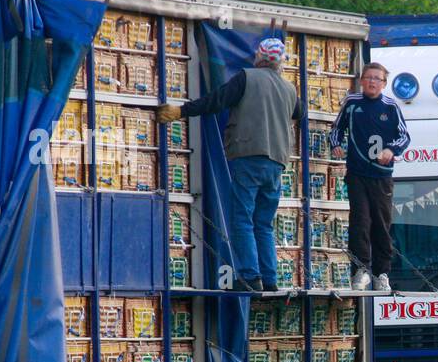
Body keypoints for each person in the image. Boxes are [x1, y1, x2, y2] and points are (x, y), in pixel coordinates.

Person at [157, 37, 302, 293]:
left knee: (242, 220)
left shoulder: (247, 77)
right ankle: (269, 278)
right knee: (264, 223)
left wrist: (181, 111)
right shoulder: (289, 88)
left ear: (258, 57)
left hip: (249, 154)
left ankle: (249, 276)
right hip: (277, 163)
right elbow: (299, 113)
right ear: (280, 62)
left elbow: (217, 101)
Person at [329, 62, 410, 291]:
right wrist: (336, 145)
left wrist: (391, 150)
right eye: (369, 77)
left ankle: (381, 272)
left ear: (384, 84)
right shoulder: (353, 103)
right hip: (357, 173)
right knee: (360, 223)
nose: (372, 82)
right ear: (362, 80)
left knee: (381, 225)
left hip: (382, 176)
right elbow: (337, 129)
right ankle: (360, 270)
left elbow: (404, 136)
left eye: (377, 78)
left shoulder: (391, 106)